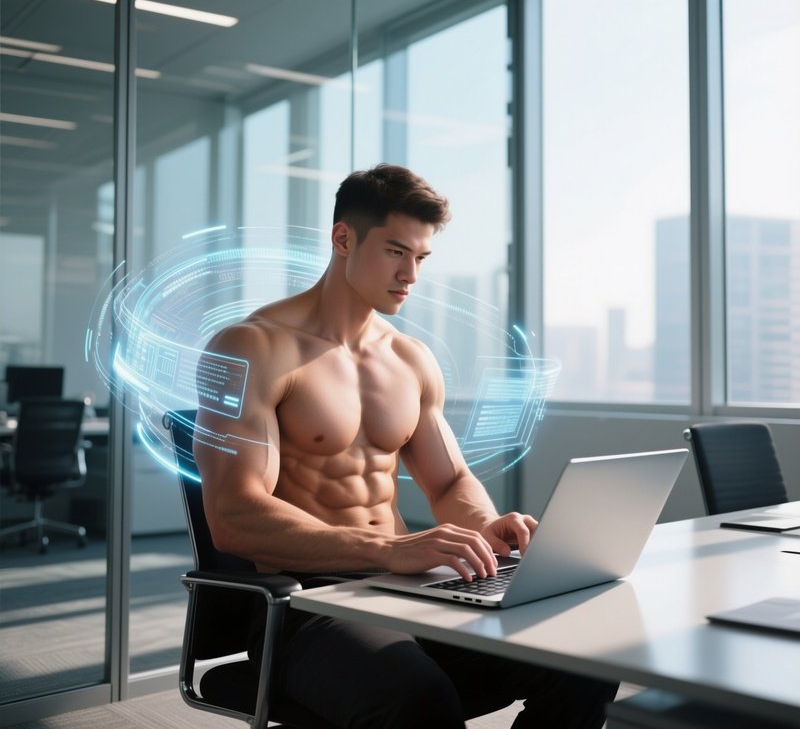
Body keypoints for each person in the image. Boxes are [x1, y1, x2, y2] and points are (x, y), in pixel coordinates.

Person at [194, 164, 618, 728]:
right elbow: (234, 515)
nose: (410, 274)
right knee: (418, 700)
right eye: (396, 251)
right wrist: (388, 550)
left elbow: (448, 482)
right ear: (344, 239)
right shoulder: (252, 347)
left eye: (420, 258)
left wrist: (487, 531)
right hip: (307, 604)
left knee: (582, 661)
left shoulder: (410, 358)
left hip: (410, 587)